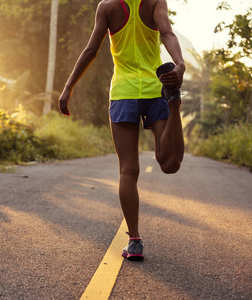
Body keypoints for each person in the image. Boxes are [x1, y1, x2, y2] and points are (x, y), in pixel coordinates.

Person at [59, 0, 185, 261]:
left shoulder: (107, 7)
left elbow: (91, 49)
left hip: (124, 93)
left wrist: (69, 85)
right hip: (155, 89)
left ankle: (135, 241)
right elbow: (167, 32)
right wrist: (179, 64)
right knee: (169, 163)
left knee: (129, 170)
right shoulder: (154, 2)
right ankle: (175, 105)